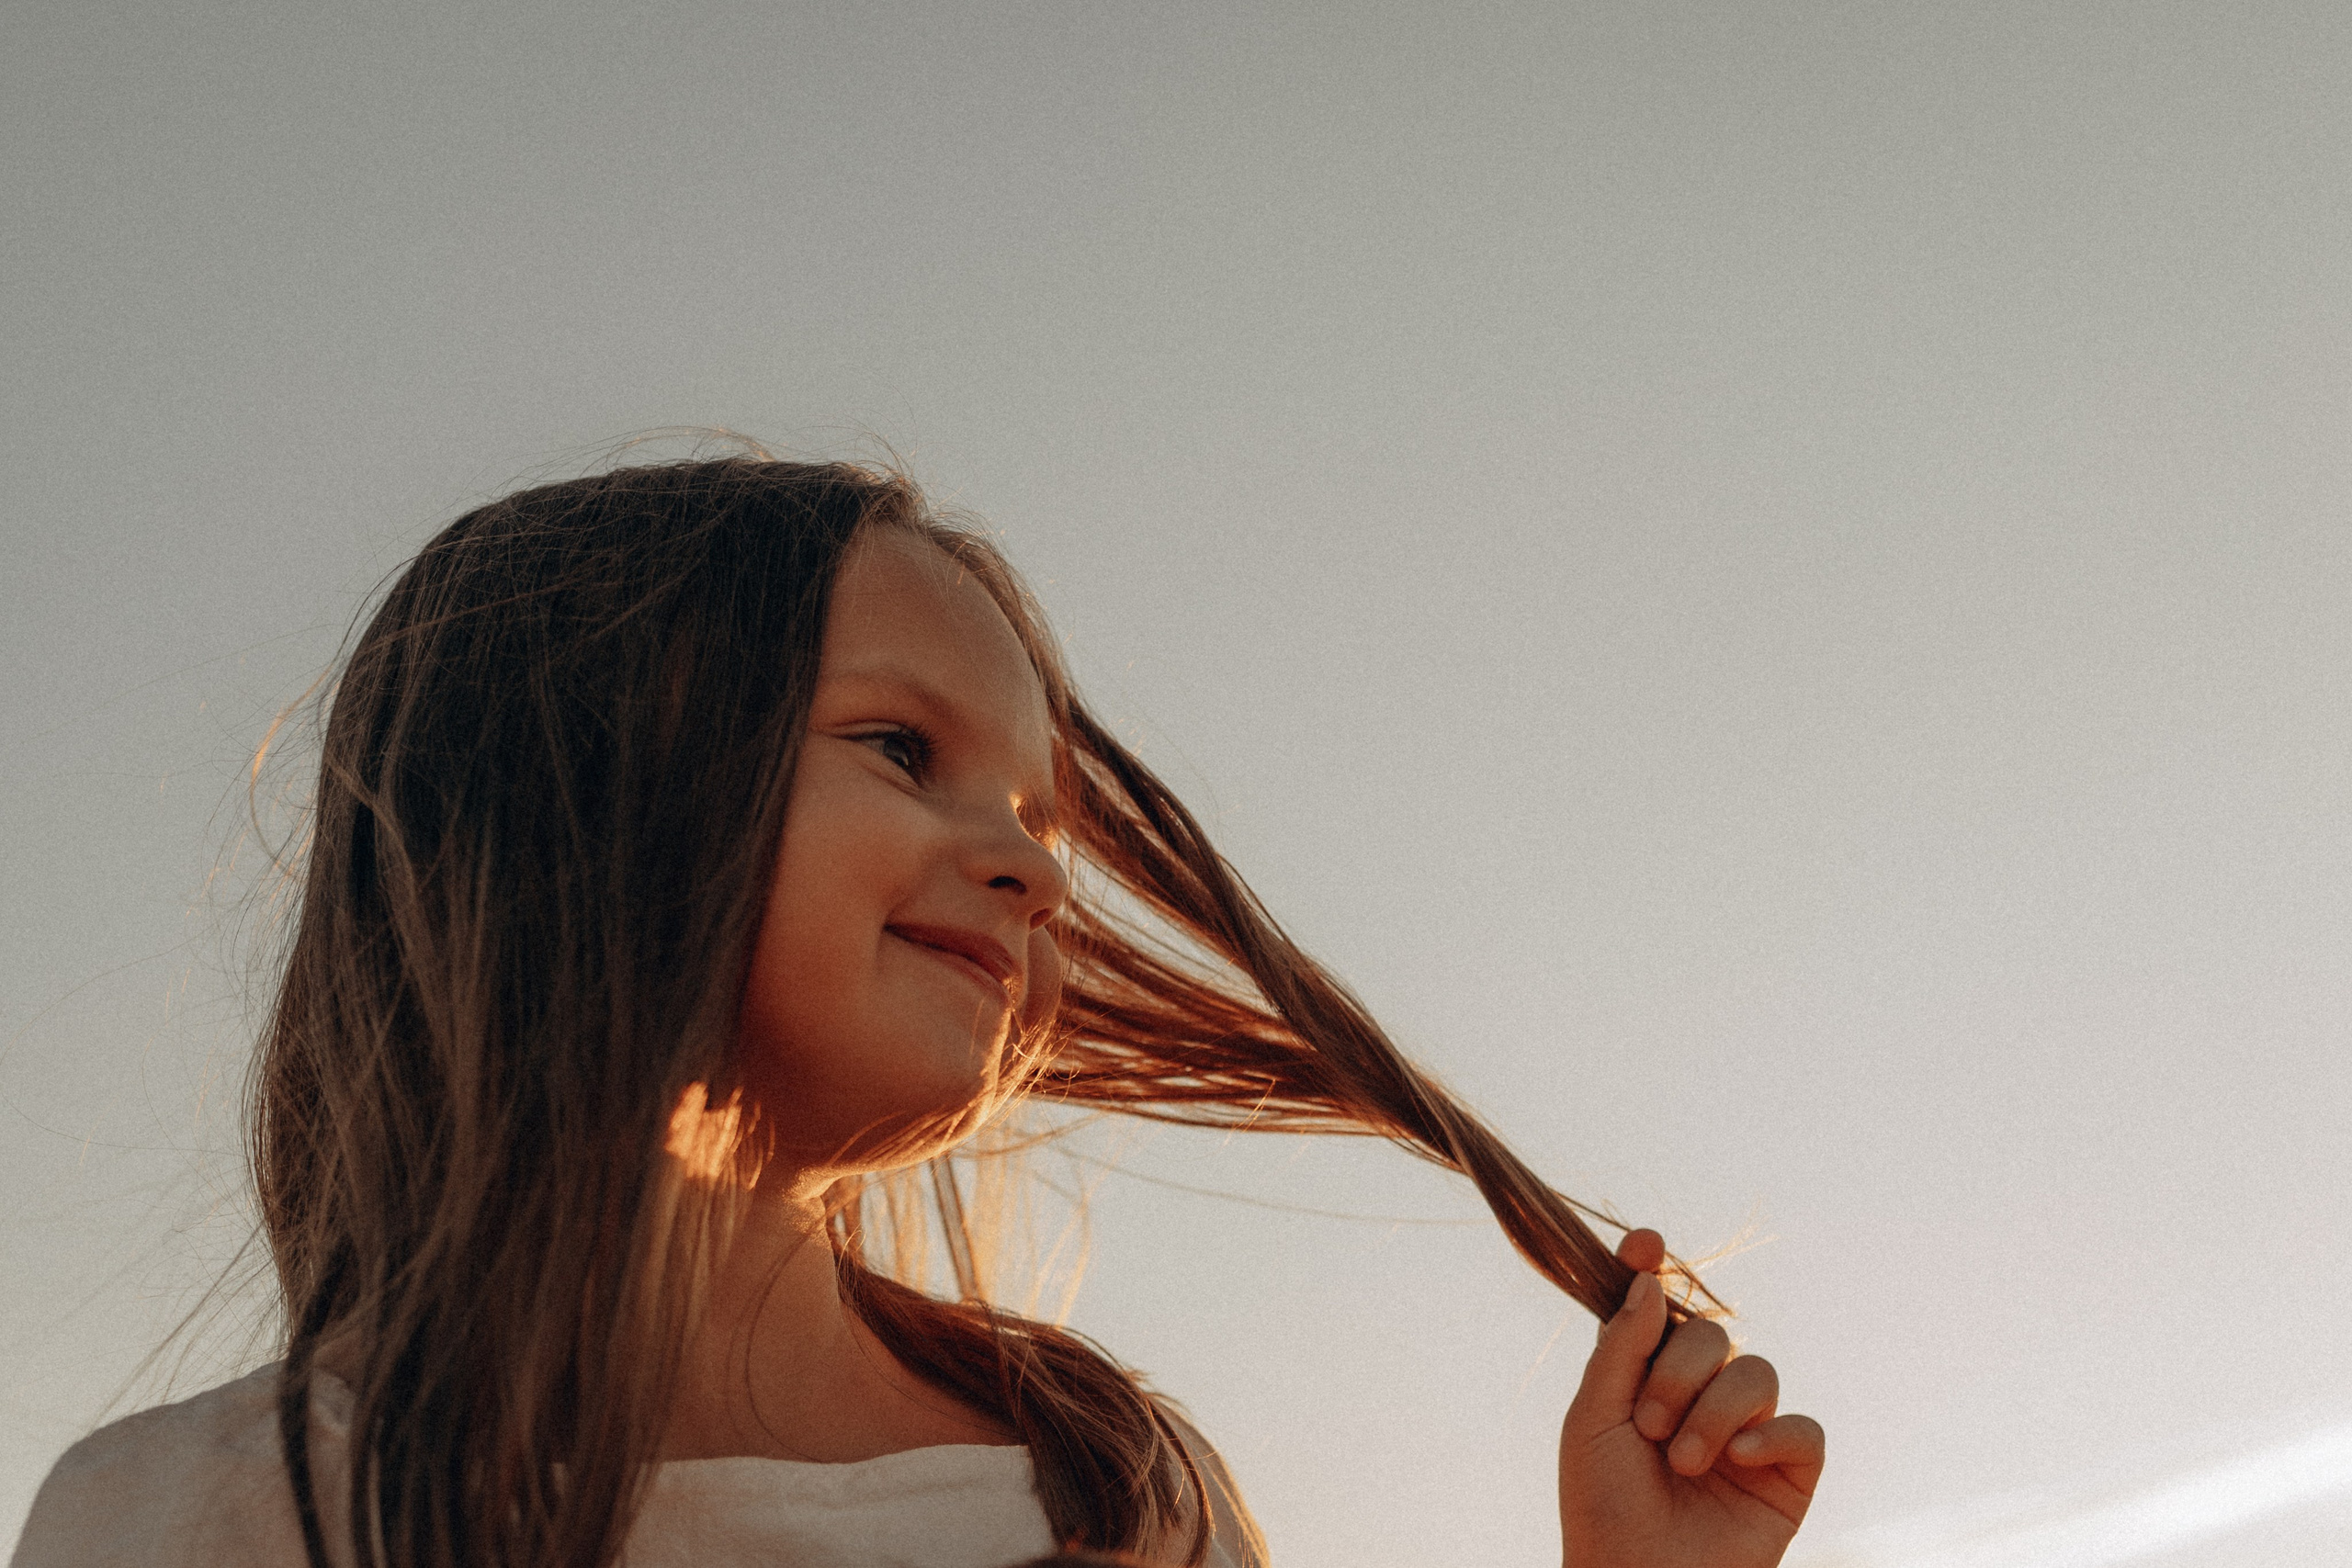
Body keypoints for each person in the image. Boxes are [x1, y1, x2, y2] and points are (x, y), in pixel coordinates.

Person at [13, 453, 1824, 1568]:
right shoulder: (211, 1515)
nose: (1031, 874)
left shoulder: (1100, 1483)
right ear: (582, 787)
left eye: (1038, 821)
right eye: (903, 746)